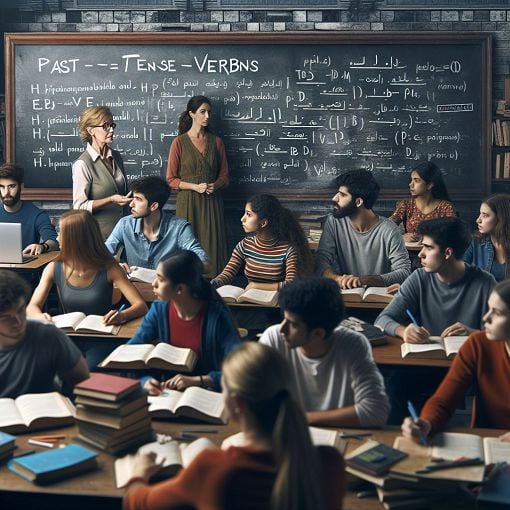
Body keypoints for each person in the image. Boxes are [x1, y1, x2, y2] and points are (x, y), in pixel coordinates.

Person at [123, 342, 346, 510]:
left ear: (237, 403)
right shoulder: (330, 463)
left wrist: (138, 474)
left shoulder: (213, 467)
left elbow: (137, 502)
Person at [374, 217, 496, 423]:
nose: (420, 254)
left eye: (428, 248)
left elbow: (501, 339)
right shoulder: (419, 278)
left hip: (468, 370)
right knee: (394, 386)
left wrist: (474, 334)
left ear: (448, 253)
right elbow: (383, 319)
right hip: (427, 364)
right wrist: (404, 331)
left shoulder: (485, 283)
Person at [259, 277, 390, 427]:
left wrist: (303, 418)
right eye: (284, 319)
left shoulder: (353, 344)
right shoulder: (273, 338)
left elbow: (375, 412)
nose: (282, 329)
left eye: (292, 324)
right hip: (288, 435)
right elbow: (256, 399)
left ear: (318, 334)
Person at [402, 280, 510, 442]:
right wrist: (426, 423)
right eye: (489, 309)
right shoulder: (478, 344)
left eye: (497, 312)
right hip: (487, 445)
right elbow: (443, 401)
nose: (486, 318)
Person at [129, 250, 240, 393]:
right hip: (165, 395)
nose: (154, 284)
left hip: (206, 395)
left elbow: (240, 369)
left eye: (161, 279)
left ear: (180, 288)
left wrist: (201, 380)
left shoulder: (217, 317)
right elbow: (130, 354)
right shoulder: (158, 311)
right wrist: (145, 381)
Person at [0, 270, 89, 398]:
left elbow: (83, 381)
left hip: (47, 414)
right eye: (5, 317)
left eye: (20, 310)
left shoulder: (49, 335)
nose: (18, 321)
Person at [315, 169, 410, 289]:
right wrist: (338, 279)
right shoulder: (333, 222)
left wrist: (361, 280)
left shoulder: (389, 229)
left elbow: (403, 272)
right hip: (345, 299)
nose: (334, 198)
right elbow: (321, 261)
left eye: (343, 195)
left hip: (378, 301)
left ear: (358, 202)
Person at [166, 95, 229, 275]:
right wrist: (195, 187)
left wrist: (214, 186)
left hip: (212, 202)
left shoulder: (216, 142)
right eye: (202, 112)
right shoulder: (178, 142)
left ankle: (215, 289)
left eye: (209, 112)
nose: (207, 116)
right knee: (187, 247)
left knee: (212, 248)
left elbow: (225, 177)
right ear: (191, 114)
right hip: (187, 203)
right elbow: (171, 179)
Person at [106, 176, 210, 272]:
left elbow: (205, 265)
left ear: (154, 206)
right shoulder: (125, 224)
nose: (131, 204)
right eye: (133, 198)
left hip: (167, 289)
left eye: (138, 199)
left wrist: (176, 269)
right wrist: (114, 265)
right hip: (133, 288)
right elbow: (101, 255)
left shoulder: (179, 228)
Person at [212, 193, 313, 290]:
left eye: (248, 214)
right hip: (249, 300)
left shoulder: (288, 250)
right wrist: (211, 284)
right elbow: (227, 275)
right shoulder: (245, 245)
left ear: (263, 222)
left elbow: (291, 284)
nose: (242, 219)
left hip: (276, 304)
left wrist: (256, 286)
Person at [72, 105, 131, 240]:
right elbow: (79, 207)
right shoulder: (82, 164)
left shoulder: (116, 156)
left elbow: (121, 190)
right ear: (91, 130)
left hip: (124, 234)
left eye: (112, 125)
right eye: (105, 126)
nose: (111, 130)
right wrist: (110, 200)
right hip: (98, 238)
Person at [389, 161, 456, 242]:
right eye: (411, 180)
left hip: (435, 253)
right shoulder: (407, 204)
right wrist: (401, 237)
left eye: (416, 180)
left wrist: (423, 237)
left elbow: (454, 233)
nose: (411, 184)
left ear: (430, 184)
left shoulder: (445, 206)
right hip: (408, 252)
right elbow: (386, 227)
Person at [0, 163, 58, 255]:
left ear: (21, 186)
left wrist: (42, 246)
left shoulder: (37, 215)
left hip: (28, 268)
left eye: (12, 186)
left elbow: (54, 243)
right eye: (2, 187)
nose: (6, 192)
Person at [463, 194, 510, 282]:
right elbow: (461, 271)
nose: (478, 220)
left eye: (485, 215)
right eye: (480, 214)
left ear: (501, 218)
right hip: (482, 294)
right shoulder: (475, 242)